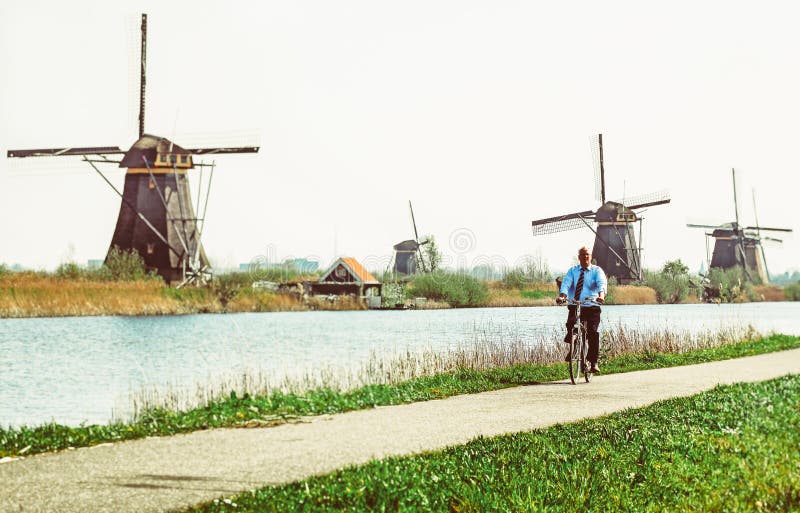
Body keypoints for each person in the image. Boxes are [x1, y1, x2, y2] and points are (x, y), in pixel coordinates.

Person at [556, 246, 607, 373]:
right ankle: (573, 347)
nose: (585, 257)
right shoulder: (573, 271)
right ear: (579, 257)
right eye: (583, 254)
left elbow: (601, 284)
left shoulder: (597, 271)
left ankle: (593, 362)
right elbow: (566, 284)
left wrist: (601, 296)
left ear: (591, 257)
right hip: (576, 304)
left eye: (587, 254)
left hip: (592, 306)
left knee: (592, 332)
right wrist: (562, 296)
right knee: (570, 324)